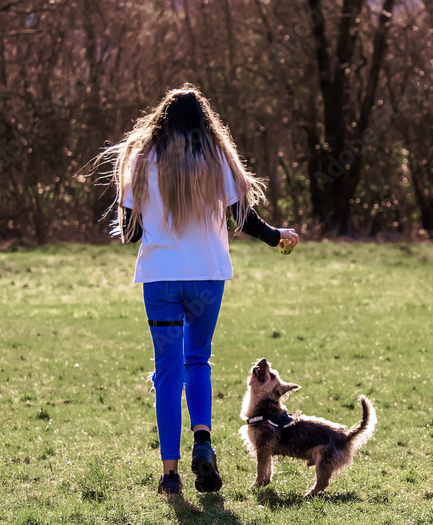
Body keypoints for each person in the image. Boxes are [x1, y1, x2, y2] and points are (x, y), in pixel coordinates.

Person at [100, 84, 298, 496]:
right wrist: (277, 235)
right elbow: (244, 218)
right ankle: (203, 443)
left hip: (160, 278)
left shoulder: (140, 159)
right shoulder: (218, 158)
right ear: (206, 122)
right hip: (207, 276)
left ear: (161, 122)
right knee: (197, 360)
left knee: (167, 371)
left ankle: (170, 475)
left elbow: (130, 233)